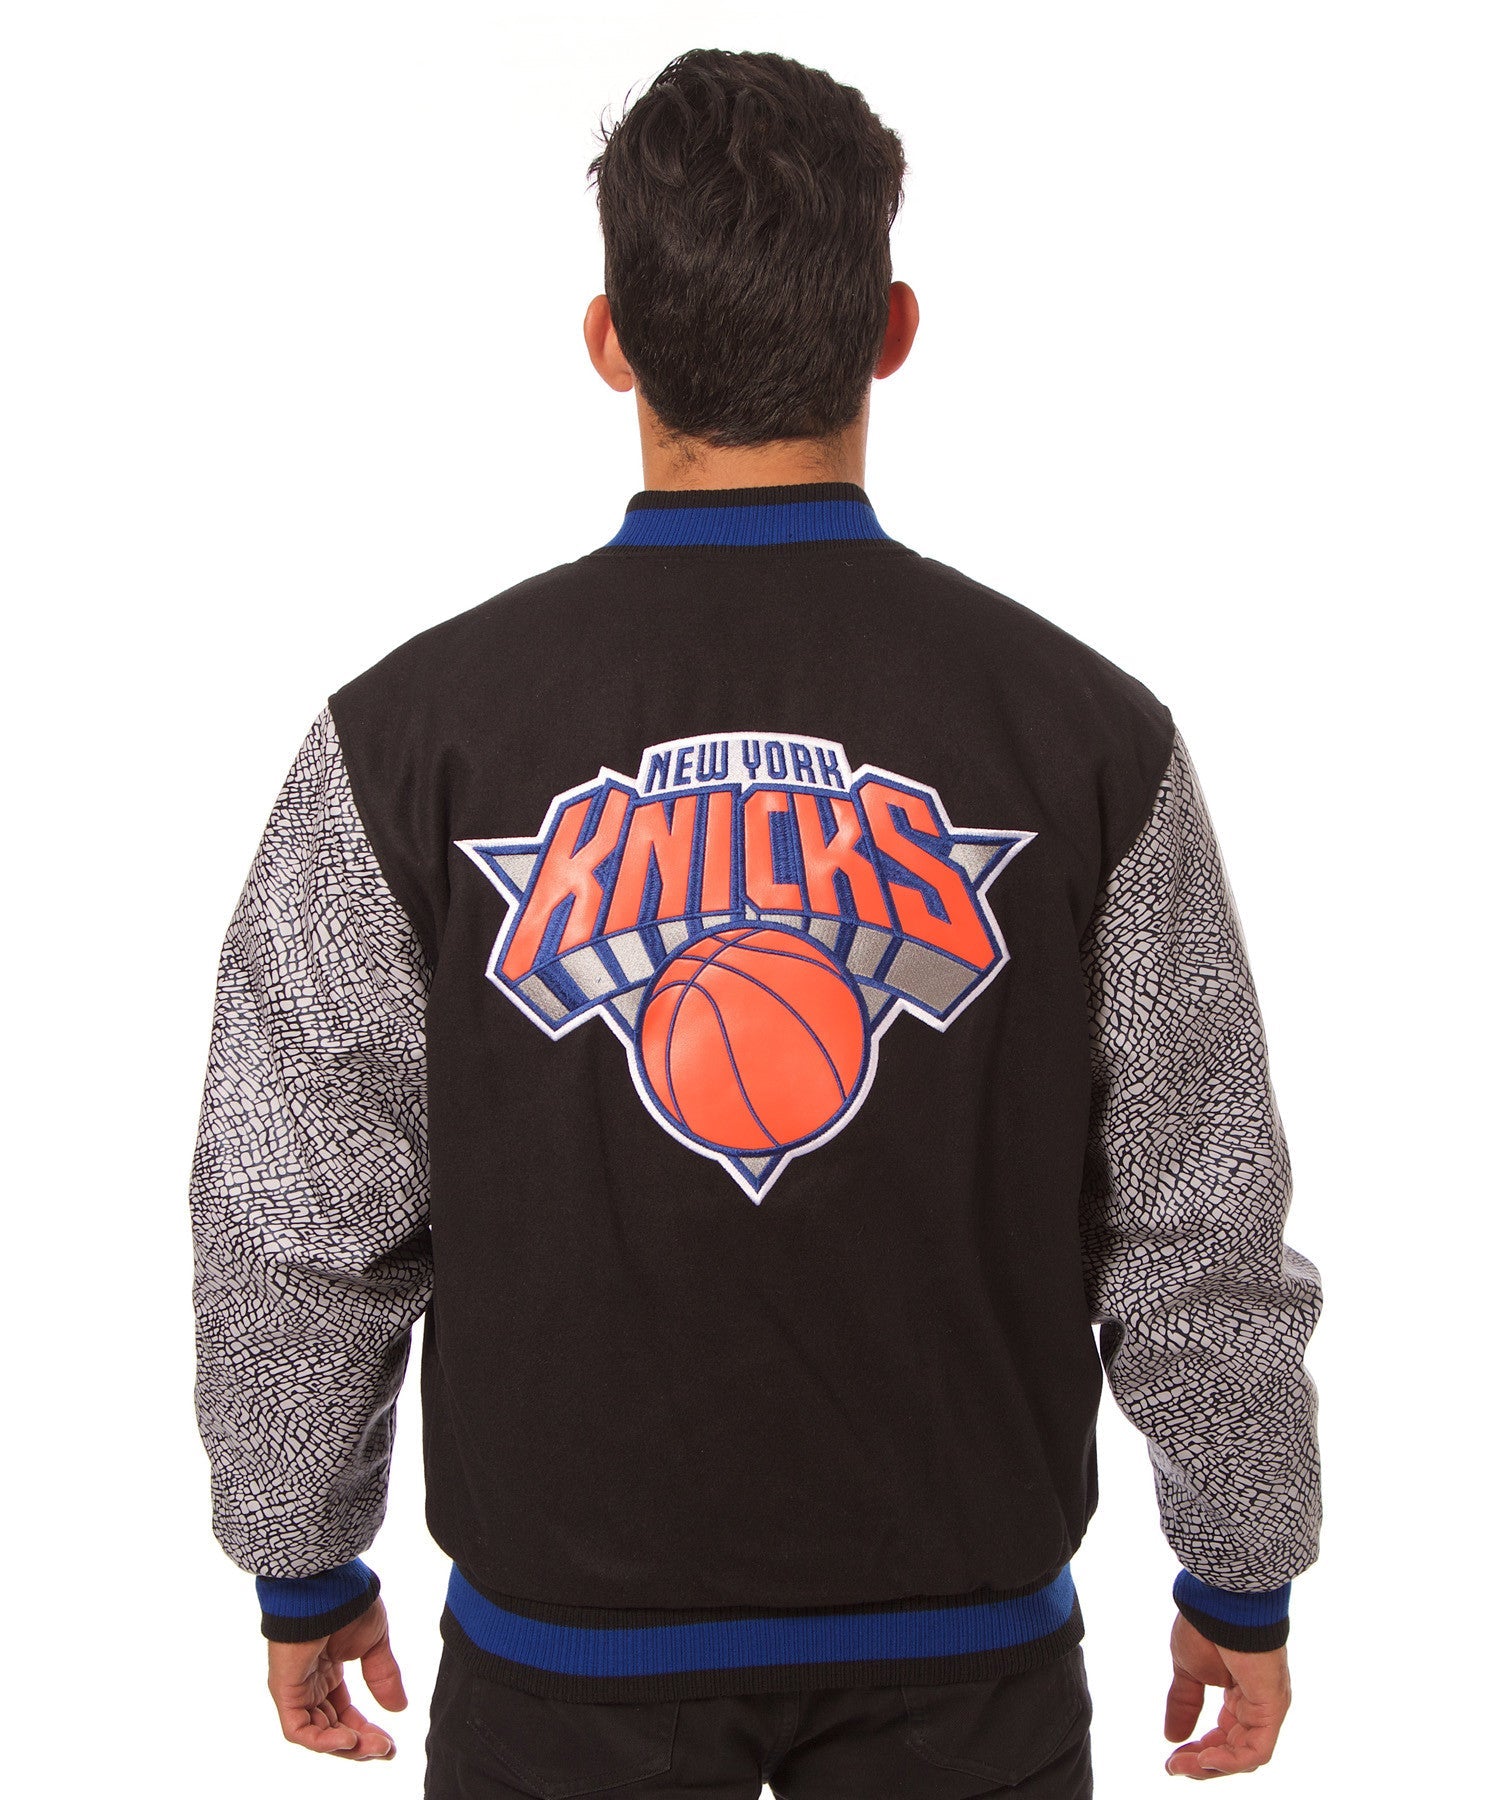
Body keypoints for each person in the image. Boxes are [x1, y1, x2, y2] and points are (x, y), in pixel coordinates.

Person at [189, 48, 1322, 1798]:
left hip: (569, 1659)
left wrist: (301, 1557)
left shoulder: (407, 736)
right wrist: (1241, 1568)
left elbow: (292, 1207)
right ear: (892, 331)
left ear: (608, 340)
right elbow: (1199, 1201)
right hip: (965, 1652)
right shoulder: (1087, 734)